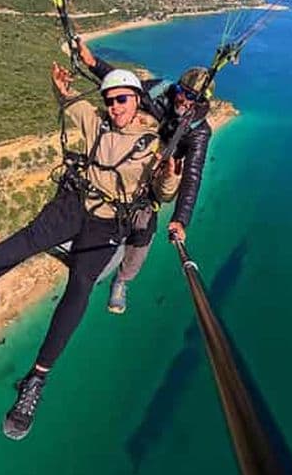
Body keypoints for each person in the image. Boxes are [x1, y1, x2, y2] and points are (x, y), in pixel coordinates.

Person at [0, 64, 179, 440]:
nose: (115, 106)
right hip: (74, 203)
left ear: (137, 101)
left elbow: (164, 193)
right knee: (20, 244)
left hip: (107, 223)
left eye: (121, 99)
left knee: (81, 287)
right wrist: (59, 85)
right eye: (109, 100)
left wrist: (169, 174)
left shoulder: (153, 145)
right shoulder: (98, 123)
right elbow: (70, 103)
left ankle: (35, 382)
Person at [75, 38, 214, 315]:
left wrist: (180, 219)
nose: (183, 99)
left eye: (191, 97)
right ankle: (77, 238)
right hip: (125, 158)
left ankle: (122, 280)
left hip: (154, 176)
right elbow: (125, 87)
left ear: (202, 103)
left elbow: (193, 175)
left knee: (143, 230)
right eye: (181, 91)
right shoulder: (159, 90)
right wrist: (93, 64)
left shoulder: (199, 131)